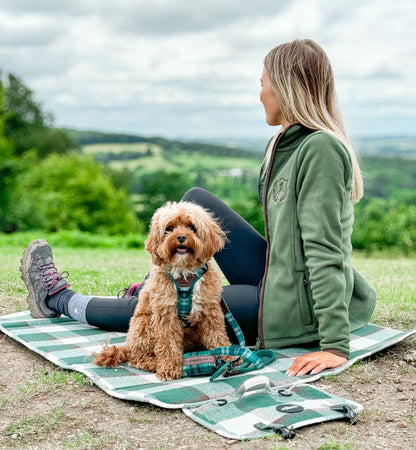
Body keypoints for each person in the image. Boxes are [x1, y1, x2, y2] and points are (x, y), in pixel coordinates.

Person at [20, 39, 376, 377]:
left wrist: (334, 345)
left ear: (285, 87)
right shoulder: (285, 143)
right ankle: (161, 281)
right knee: (195, 200)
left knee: (171, 310)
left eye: (263, 83)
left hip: (302, 303)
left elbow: (324, 249)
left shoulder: (321, 150)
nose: (260, 93)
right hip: (278, 271)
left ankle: (59, 299)